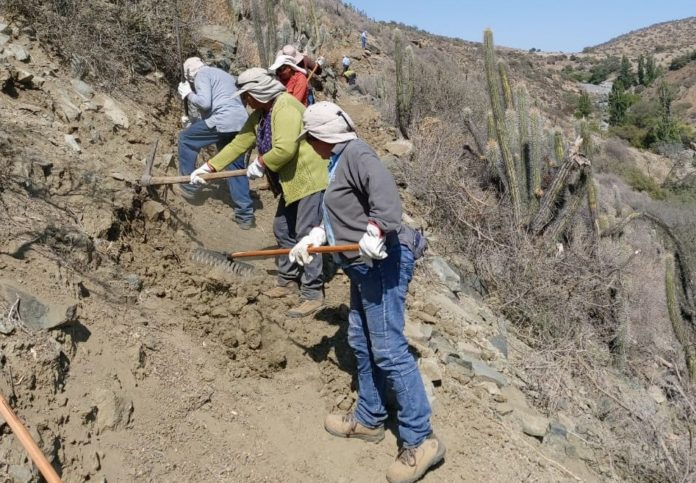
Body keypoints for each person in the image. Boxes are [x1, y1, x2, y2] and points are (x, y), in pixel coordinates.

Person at [289, 101, 444, 483]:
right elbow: (342, 212)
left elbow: (385, 194)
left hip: (383, 262)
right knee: (360, 338)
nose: (309, 144)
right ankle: (370, 418)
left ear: (321, 136)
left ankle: (421, 439)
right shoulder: (337, 160)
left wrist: (377, 229)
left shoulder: (356, 152)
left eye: (310, 138)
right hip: (361, 267)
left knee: (389, 349)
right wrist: (317, 235)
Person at [189, 68, 328, 317]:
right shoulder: (262, 114)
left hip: (309, 179)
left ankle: (312, 293)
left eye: (248, 95)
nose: (246, 100)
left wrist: (261, 163)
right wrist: (208, 167)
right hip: (291, 184)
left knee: (307, 235)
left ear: (259, 92)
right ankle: (287, 280)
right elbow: (240, 143)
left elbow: (285, 148)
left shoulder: (285, 106)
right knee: (283, 229)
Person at [176, 57, 255, 229]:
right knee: (235, 166)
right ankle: (245, 214)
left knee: (186, 139)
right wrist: (193, 121)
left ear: (189, 74)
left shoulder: (202, 75)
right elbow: (220, 104)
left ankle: (188, 186)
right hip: (240, 122)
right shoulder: (222, 74)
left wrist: (188, 94)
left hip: (223, 121)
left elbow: (205, 103)